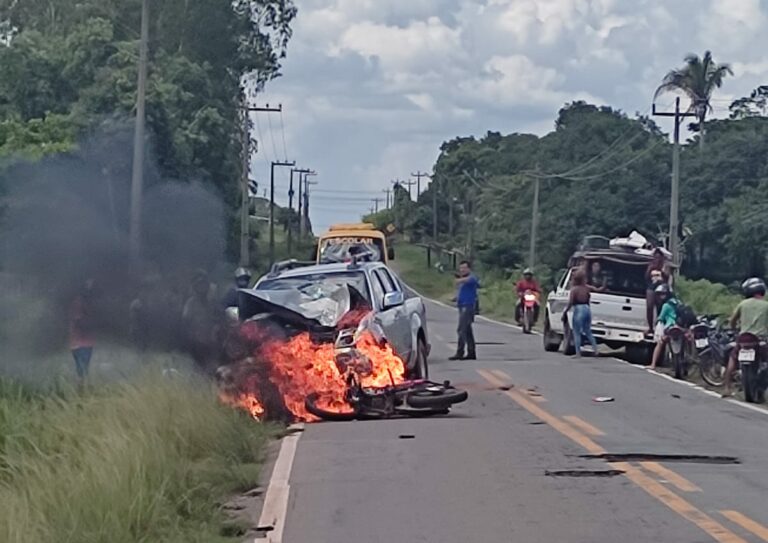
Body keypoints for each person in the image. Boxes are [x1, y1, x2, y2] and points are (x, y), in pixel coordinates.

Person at [723, 277, 768, 396]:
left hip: (743, 339)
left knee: (732, 358)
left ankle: (727, 387)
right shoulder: (766, 305)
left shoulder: (742, 304)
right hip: (760, 341)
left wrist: (733, 329)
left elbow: (733, 320)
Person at [449, 260, 479, 361]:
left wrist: (459, 280)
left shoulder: (471, 277)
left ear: (469, 269)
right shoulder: (463, 280)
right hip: (461, 305)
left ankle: (460, 352)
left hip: (468, 306)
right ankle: (471, 352)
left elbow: (471, 280)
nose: (462, 270)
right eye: (461, 268)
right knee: (467, 330)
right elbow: (462, 291)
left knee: (461, 330)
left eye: (464, 268)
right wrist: (456, 298)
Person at [564, 270, 598, 357]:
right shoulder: (587, 288)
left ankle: (578, 353)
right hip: (587, 308)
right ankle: (595, 349)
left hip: (578, 309)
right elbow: (597, 290)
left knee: (576, 332)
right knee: (588, 331)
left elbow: (570, 302)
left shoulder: (574, 290)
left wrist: (565, 312)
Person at [69, 279, 96, 386]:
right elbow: (78, 320)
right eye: (89, 286)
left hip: (78, 343)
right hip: (82, 342)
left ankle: (81, 393)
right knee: (83, 371)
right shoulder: (80, 302)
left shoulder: (77, 302)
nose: (91, 288)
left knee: (81, 371)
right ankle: (82, 394)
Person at [649, 283, 679, 370]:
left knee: (660, 343)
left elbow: (661, 317)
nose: (661, 296)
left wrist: (655, 325)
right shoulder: (678, 302)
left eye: (663, 294)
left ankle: (653, 364)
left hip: (670, 327)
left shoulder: (666, 305)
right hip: (680, 326)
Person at [645, 249, 669, 333]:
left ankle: (659, 326)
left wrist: (661, 271)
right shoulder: (651, 265)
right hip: (651, 286)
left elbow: (667, 277)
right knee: (649, 306)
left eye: (659, 257)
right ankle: (650, 327)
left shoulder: (664, 266)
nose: (657, 259)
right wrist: (651, 268)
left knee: (660, 307)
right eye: (655, 257)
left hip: (661, 287)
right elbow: (646, 277)